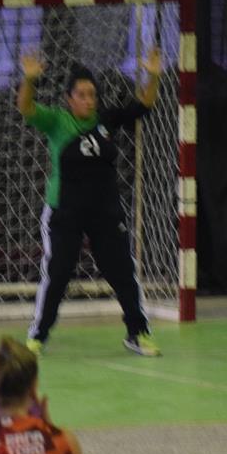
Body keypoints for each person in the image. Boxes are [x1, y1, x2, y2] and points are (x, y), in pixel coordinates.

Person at [17, 48, 164, 357]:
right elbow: (26, 107)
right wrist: (29, 80)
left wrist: (153, 75)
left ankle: (137, 333)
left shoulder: (106, 120)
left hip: (105, 212)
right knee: (58, 274)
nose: (88, 100)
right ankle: (38, 336)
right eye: (81, 95)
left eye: (92, 95)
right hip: (65, 211)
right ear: (69, 99)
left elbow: (145, 104)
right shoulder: (57, 122)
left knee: (123, 272)